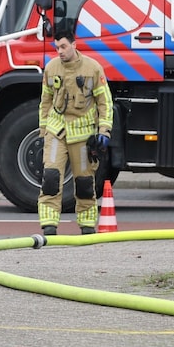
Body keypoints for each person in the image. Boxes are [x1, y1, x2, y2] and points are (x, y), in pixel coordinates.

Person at [37, 25, 112, 235]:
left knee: (84, 181)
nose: (59, 51)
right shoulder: (51, 68)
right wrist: (43, 132)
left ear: (74, 45)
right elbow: (45, 101)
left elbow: (104, 102)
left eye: (63, 46)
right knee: (50, 177)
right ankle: (49, 224)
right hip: (56, 131)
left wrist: (104, 131)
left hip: (82, 134)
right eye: (56, 47)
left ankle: (87, 224)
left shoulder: (93, 68)